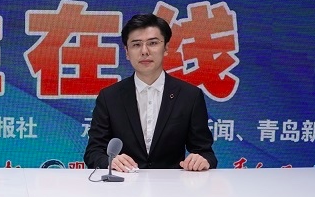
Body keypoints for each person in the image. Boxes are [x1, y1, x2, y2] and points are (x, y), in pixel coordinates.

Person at [84, 13, 217, 172]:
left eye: (153, 43)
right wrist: (109, 162)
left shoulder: (190, 96)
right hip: (123, 184)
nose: (144, 51)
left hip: (173, 185)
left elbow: (206, 152)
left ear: (166, 48)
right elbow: (93, 152)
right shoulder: (109, 97)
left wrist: (202, 160)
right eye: (136, 44)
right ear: (127, 52)